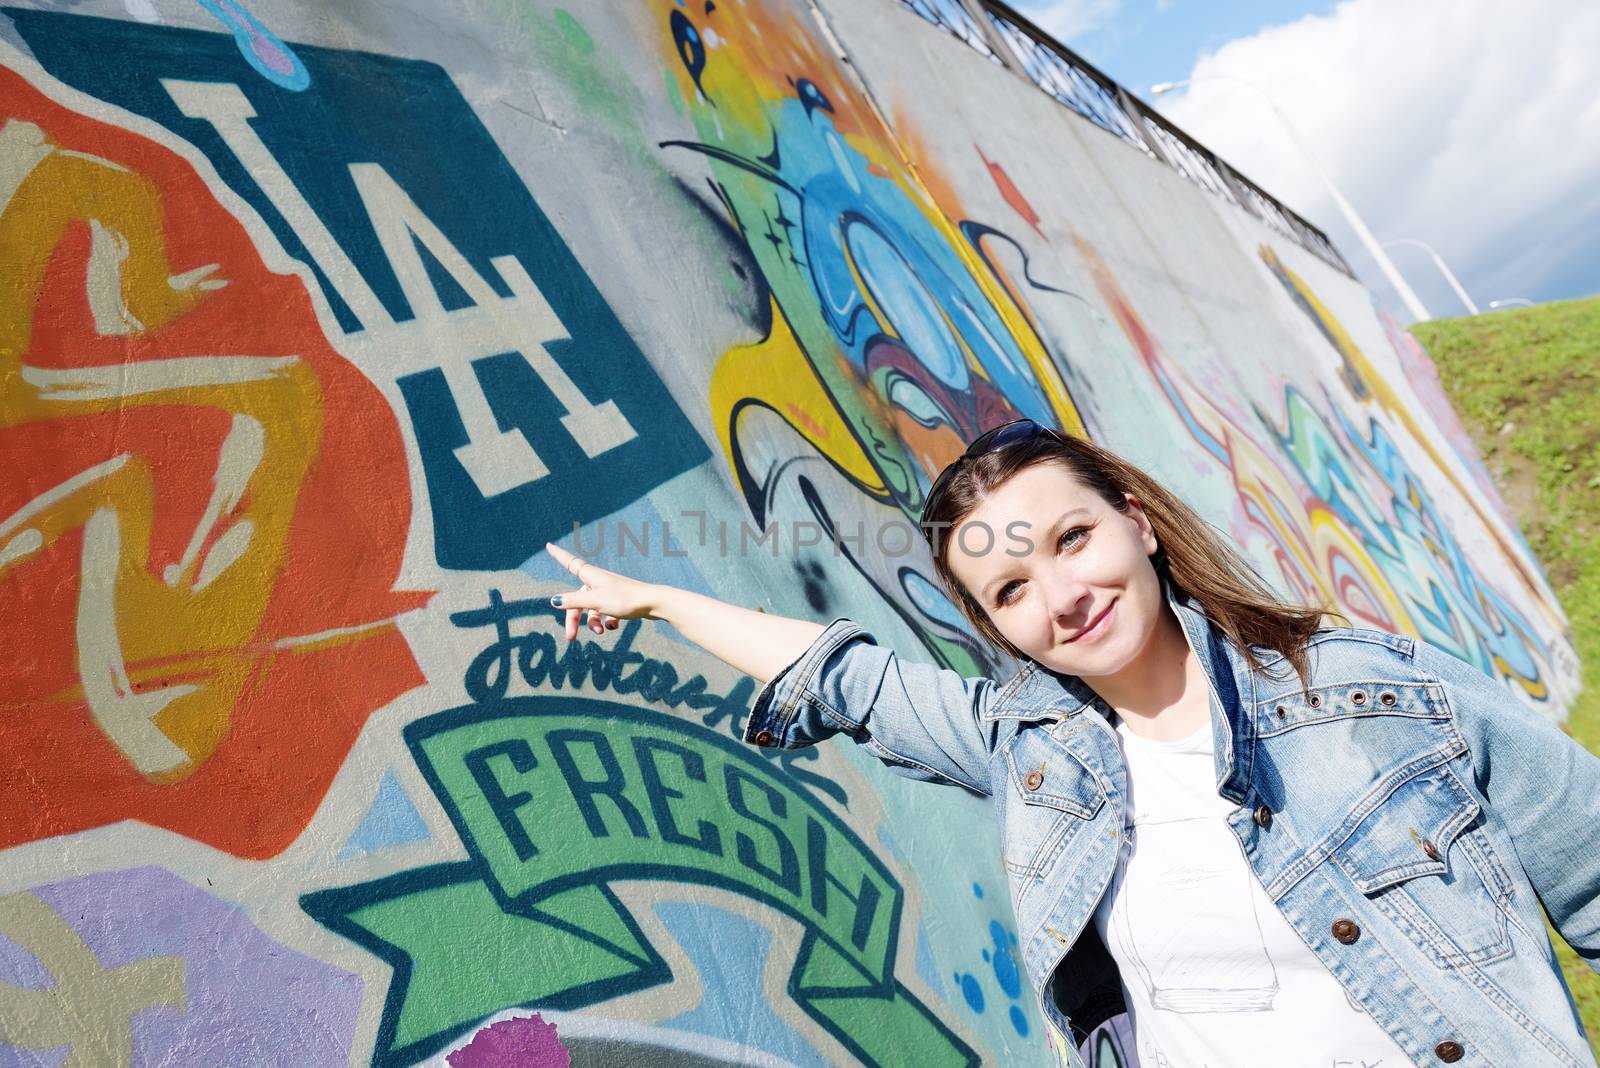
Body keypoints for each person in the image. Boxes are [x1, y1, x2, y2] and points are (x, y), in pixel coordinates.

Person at [544, 418, 1600, 1068]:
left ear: (1136, 522)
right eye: (1008, 589)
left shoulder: (1370, 686)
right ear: (992, 625)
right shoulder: (1031, 753)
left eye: (1070, 539)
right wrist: (657, 601)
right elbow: (841, 676)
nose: (1059, 597)